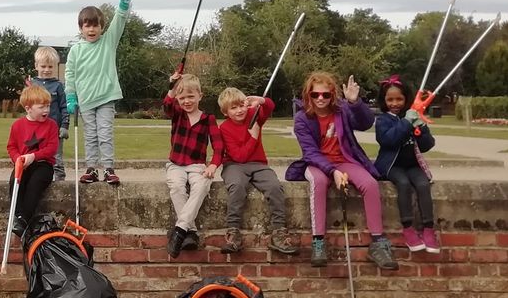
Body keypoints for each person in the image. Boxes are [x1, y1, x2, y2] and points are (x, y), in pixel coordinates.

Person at [285, 72, 398, 270]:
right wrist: (332, 172)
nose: (320, 99)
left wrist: (355, 103)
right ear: (308, 95)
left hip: (345, 160)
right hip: (317, 164)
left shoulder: (342, 110)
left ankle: (378, 242)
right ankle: (318, 241)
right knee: (318, 183)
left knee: (370, 184)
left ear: (332, 95)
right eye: (315, 95)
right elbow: (310, 152)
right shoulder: (302, 118)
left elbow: (365, 123)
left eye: (325, 95)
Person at [217, 87, 297, 255]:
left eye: (241, 105)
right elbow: (239, 156)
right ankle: (233, 232)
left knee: (275, 187)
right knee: (237, 186)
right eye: (233, 108)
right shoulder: (224, 128)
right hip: (234, 165)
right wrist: (253, 136)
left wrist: (260, 100)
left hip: (259, 164)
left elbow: (269, 106)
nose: (239, 110)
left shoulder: (253, 115)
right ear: (225, 112)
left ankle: (279, 233)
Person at [64, 0, 133, 186]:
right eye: (88, 26)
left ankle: (108, 168)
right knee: (90, 136)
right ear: (81, 28)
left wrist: (123, 6)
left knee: (104, 134)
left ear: (102, 27)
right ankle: (92, 168)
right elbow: (70, 74)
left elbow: (119, 23)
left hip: (105, 97)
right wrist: (71, 96)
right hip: (85, 100)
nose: (92, 30)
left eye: (96, 26)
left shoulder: (108, 42)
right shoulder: (75, 51)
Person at [374, 75, 439, 253]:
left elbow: (427, 145)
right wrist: (406, 123)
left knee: (423, 185)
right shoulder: (383, 120)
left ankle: (428, 229)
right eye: (390, 99)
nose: (395, 103)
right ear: (384, 101)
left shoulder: (411, 116)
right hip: (392, 166)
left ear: (406, 99)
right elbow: (388, 140)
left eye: (399, 99)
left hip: (412, 165)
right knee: (403, 184)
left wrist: (420, 128)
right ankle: (408, 228)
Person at [163, 72, 224, 258]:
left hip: (197, 165)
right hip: (176, 164)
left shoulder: (208, 119)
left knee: (202, 185)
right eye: (182, 98)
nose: (186, 101)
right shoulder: (177, 114)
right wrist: (172, 86)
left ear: (200, 95)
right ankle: (191, 232)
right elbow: (166, 105)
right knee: (176, 188)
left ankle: (180, 230)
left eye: (191, 97)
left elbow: (219, 147)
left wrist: (213, 165)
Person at [6, 84, 61, 235]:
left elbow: (52, 148)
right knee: (16, 181)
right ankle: (16, 215)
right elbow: (11, 147)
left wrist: (34, 156)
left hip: (43, 165)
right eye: (42, 107)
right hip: (23, 165)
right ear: (28, 108)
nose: (46, 110)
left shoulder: (51, 125)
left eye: (48, 106)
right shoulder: (17, 126)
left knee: (35, 183)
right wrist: (18, 159)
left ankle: (24, 218)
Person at [28, 46, 69, 182]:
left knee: (56, 158)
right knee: (35, 155)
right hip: (36, 131)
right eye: (43, 66)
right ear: (36, 66)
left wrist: (64, 125)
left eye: (50, 67)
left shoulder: (58, 86)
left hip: (54, 130)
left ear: (55, 66)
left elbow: (64, 107)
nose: (46, 70)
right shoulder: (32, 85)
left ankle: (59, 182)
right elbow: (28, 106)